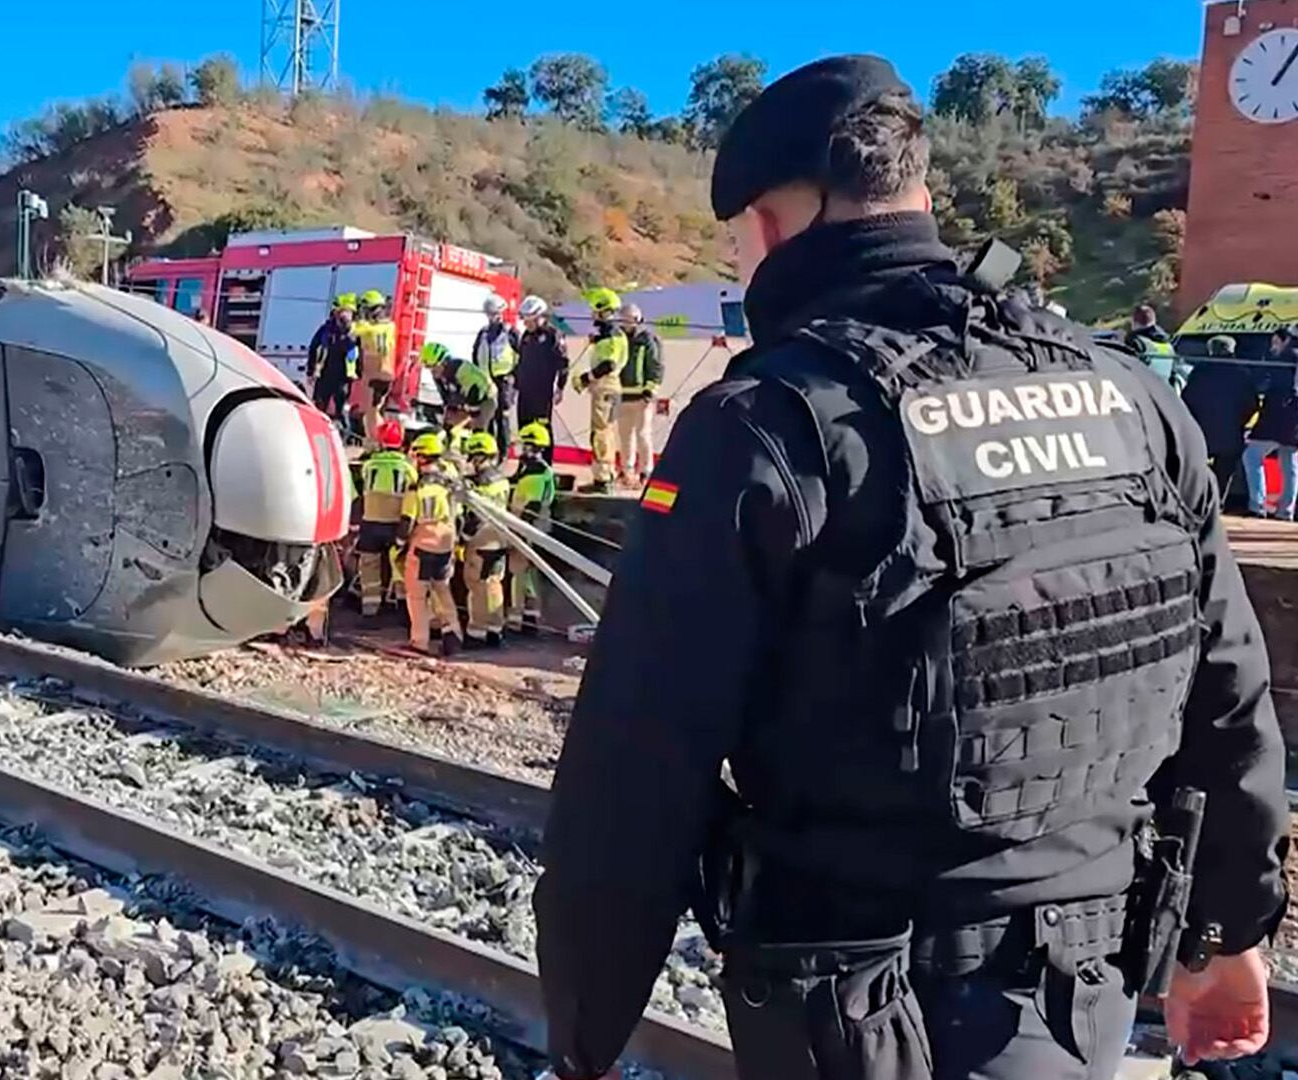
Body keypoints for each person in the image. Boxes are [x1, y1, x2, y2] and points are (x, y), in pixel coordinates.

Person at [533, 55, 1286, 1080]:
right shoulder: (1130, 399)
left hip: (858, 1014)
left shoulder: (762, 426)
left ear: (768, 226)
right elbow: (1230, 694)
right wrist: (1228, 934)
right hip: (1089, 994)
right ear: (917, 195)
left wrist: (582, 1037)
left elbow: (632, 777)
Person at [399, 432, 463, 656]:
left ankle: (419, 642)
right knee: (443, 590)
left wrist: (398, 544)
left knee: (416, 596)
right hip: (445, 545)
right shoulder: (449, 486)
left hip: (422, 546)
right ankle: (453, 634)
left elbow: (407, 521)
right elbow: (460, 517)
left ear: (423, 457)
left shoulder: (416, 488)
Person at [1182, 335, 1257, 508]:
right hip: (1231, 433)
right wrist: (1240, 421)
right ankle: (1218, 504)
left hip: (1202, 433)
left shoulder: (1200, 371)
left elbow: (1186, 399)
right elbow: (1252, 404)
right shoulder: (1243, 373)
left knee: (1199, 470)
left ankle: (1198, 503)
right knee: (1224, 474)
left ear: (1211, 350)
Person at [354, 419, 417, 618]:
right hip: (395, 524)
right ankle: (401, 607)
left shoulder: (370, 465)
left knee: (369, 565)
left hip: (370, 522)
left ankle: (370, 608)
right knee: (398, 565)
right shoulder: (407, 468)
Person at [458, 431, 512, 649]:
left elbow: (476, 517)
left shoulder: (480, 485)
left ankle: (476, 633)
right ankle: (495, 630)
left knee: (477, 588)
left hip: (480, 542)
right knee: (494, 586)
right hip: (499, 540)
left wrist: (463, 538)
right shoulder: (502, 480)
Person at [571, 288, 627, 492]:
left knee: (600, 434)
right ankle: (606, 476)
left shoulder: (611, 335)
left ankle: (602, 480)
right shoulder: (610, 335)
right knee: (607, 433)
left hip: (605, 388)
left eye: (594, 310)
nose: (592, 314)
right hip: (609, 388)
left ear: (602, 310)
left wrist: (586, 378)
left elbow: (609, 365)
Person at [506, 421, 557, 636]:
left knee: (519, 574)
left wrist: (518, 531)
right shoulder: (533, 470)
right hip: (533, 528)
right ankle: (529, 617)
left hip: (528, 529)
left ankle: (518, 620)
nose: (521, 450)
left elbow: (532, 507)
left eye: (525, 446)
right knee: (527, 575)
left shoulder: (536, 474)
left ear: (532, 447)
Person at [1243, 327, 1298, 521]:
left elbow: (1263, 384)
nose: (1272, 346)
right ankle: (1286, 510)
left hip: (1278, 416)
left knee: (1252, 456)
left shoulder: (1283, 359)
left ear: (1284, 340)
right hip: (1293, 419)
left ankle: (1257, 505)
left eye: (1275, 342)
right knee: (1289, 462)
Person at [614, 302, 663, 488]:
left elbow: (656, 366)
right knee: (624, 436)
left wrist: (650, 390)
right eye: (623, 319)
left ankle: (646, 471)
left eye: (628, 320)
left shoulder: (647, 340)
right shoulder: (618, 339)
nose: (625, 323)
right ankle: (627, 472)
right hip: (622, 396)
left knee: (643, 435)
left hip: (642, 397)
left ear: (637, 319)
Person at [472, 296, 522, 456]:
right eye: (489, 313)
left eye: (494, 313)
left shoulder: (510, 332)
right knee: (488, 416)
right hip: (487, 381)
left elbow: (521, 355)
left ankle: (503, 452)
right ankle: (489, 451)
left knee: (502, 417)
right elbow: (475, 354)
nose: (492, 316)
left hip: (504, 380)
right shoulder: (484, 333)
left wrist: (514, 376)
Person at [515, 295, 570, 434]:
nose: (527, 325)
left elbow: (563, 364)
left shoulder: (553, 335)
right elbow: (521, 361)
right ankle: (527, 453)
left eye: (530, 321)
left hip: (543, 392)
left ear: (540, 317)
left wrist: (560, 388)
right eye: (525, 321)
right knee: (524, 426)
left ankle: (545, 455)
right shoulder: (526, 336)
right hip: (525, 391)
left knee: (542, 428)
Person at [421, 342, 499, 435]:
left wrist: (472, 415)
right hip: (465, 397)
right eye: (428, 368)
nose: (432, 372)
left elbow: (475, 391)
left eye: (434, 367)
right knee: (448, 424)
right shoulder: (438, 375)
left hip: (485, 397)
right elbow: (447, 398)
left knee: (478, 427)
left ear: (444, 362)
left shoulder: (461, 369)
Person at [308, 294, 360, 432]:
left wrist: (359, 372)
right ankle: (317, 432)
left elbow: (361, 355)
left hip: (343, 378)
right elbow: (313, 347)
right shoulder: (327, 329)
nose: (346, 317)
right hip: (326, 374)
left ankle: (342, 439)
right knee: (320, 408)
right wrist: (311, 370)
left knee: (340, 411)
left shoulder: (356, 332)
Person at [353, 291, 398, 445]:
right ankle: (380, 440)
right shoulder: (390, 327)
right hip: (387, 374)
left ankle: (375, 443)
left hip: (374, 375)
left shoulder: (368, 329)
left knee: (371, 413)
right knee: (374, 411)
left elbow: (351, 330)